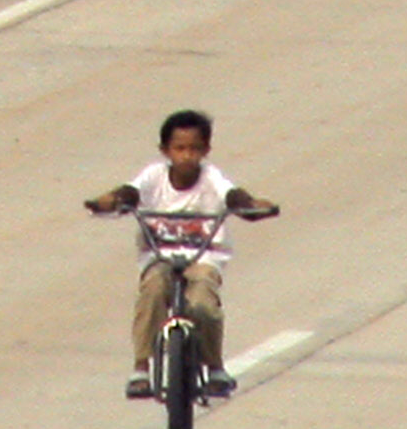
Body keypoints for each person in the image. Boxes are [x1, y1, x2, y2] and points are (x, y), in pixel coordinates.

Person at [83, 110, 276, 399]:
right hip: (159, 256)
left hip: (203, 256)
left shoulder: (212, 178)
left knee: (203, 305)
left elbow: (234, 197)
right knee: (152, 290)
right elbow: (128, 193)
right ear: (165, 151)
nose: (187, 156)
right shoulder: (154, 176)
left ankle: (215, 368)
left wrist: (254, 206)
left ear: (206, 151)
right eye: (180, 149)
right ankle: (141, 369)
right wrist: (107, 202)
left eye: (195, 149)